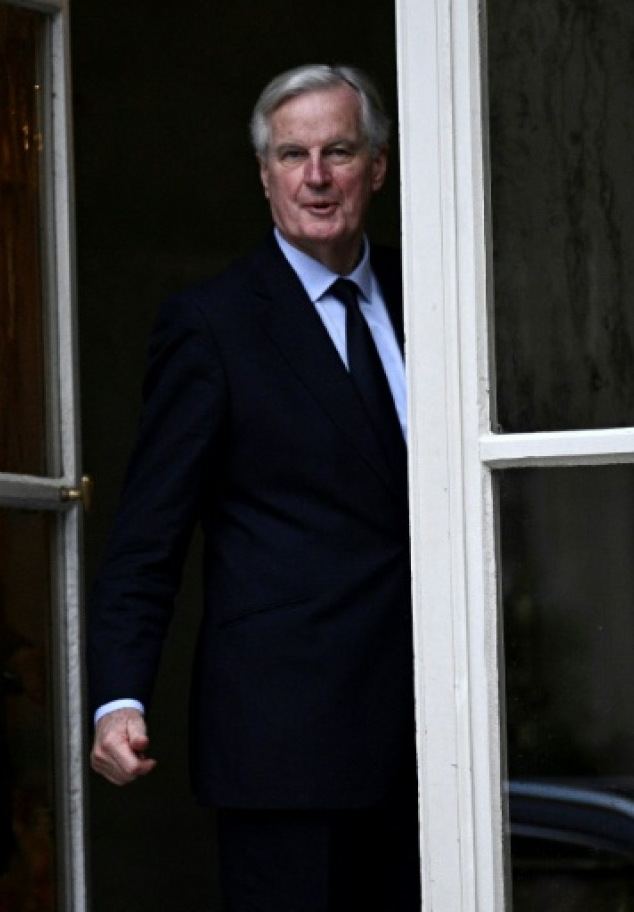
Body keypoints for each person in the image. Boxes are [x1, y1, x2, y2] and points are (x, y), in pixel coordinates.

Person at [86, 64, 419, 909]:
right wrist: (119, 697)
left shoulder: (436, 296)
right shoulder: (213, 324)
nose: (316, 176)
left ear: (376, 166)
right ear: (265, 176)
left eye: (338, 151)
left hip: (435, 733)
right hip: (287, 748)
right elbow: (148, 533)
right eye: (292, 155)